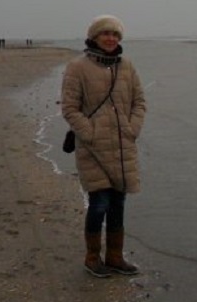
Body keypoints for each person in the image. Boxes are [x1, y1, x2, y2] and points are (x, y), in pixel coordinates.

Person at [60, 15, 147, 277]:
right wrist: (90, 134)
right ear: (94, 37)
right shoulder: (77, 67)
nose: (111, 39)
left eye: (115, 35)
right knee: (99, 203)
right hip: (93, 148)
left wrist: (132, 129)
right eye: (105, 34)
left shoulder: (127, 66)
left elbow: (139, 101)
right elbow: (70, 108)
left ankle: (115, 257)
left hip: (123, 147)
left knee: (118, 203)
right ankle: (91, 257)